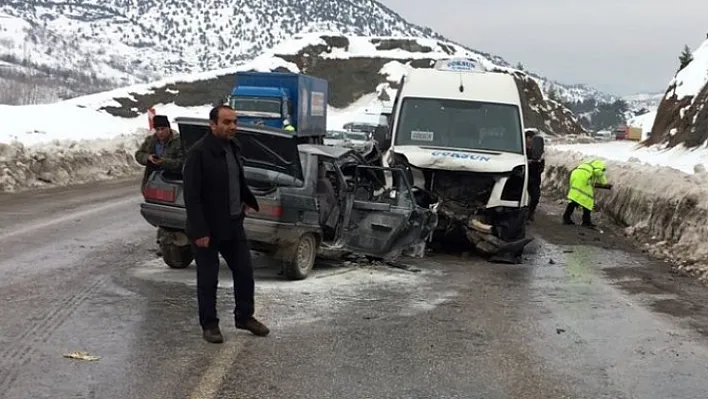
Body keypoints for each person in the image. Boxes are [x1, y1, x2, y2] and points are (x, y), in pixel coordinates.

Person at [183, 104, 270, 343]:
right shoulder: (198, 153)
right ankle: (209, 325)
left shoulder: (233, 147)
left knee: (244, 272)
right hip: (207, 229)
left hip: (233, 224)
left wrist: (246, 201)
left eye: (235, 122)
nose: (232, 127)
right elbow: (191, 196)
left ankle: (244, 317)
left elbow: (236, 180)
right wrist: (200, 230)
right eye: (227, 122)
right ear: (212, 125)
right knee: (208, 279)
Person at [134, 115, 183, 189]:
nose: (160, 132)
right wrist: (148, 158)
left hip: (172, 181)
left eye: (163, 129)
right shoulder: (151, 140)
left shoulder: (178, 141)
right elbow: (139, 154)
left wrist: (163, 162)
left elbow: (181, 162)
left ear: (168, 128)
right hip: (152, 181)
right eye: (157, 129)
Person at [562, 159, 612, 227]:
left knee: (574, 198)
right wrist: (604, 183)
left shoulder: (589, 164)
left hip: (575, 174)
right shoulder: (600, 166)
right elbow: (598, 172)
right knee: (588, 200)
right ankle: (586, 222)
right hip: (583, 178)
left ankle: (566, 218)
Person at [525, 129, 544, 222]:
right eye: (530, 138)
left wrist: (539, 165)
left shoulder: (537, 151)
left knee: (535, 197)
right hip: (523, 176)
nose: (531, 140)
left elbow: (542, 163)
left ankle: (530, 213)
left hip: (535, 178)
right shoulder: (521, 150)